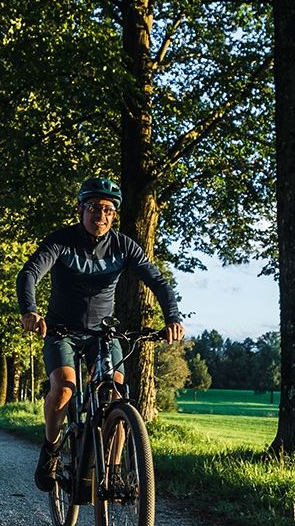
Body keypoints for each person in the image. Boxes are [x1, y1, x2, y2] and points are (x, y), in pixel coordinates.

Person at [17, 177, 185, 491]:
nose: (101, 215)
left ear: (114, 214)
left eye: (107, 210)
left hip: (102, 335)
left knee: (117, 394)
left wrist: (172, 318)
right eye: (94, 207)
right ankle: (51, 449)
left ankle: (114, 469)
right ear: (80, 209)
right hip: (60, 330)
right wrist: (30, 311)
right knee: (64, 387)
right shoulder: (62, 241)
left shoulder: (123, 246)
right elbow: (30, 273)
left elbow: (159, 283)